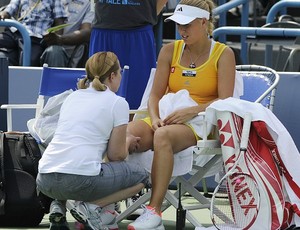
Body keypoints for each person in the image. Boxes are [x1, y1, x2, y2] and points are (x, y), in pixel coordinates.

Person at [126, 0, 236, 229]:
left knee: (162, 137)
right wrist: (154, 118)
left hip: (203, 122)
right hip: (165, 117)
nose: (181, 30)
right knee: (125, 133)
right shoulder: (169, 50)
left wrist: (192, 110)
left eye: (187, 25)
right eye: (178, 25)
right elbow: (154, 96)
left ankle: (153, 210)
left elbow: (226, 100)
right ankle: (107, 203)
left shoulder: (224, 54)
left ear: (204, 23)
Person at [36, 51, 149, 230]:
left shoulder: (72, 97)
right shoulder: (118, 103)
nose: (120, 76)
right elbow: (116, 155)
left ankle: (58, 205)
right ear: (112, 76)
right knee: (142, 177)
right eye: (119, 72)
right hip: (80, 182)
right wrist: (127, 140)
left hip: (44, 180)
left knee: (70, 166)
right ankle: (90, 207)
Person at [89, 0, 168, 110]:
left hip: (138, 30)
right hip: (104, 27)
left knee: (138, 101)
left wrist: (149, 13)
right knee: (97, 98)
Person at [0, 0, 67, 66]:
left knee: (30, 60)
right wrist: (2, 14)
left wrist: (56, 39)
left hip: (36, 37)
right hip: (16, 31)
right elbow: (9, 9)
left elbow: (59, 20)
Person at [40, 0, 94, 68]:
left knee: (55, 52)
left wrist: (60, 39)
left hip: (67, 53)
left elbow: (86, 31)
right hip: (38, 44)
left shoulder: (89, 4)